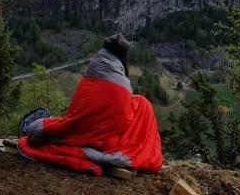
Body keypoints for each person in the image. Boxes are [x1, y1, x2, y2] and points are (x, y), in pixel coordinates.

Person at [17, 33, 163, 175]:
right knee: (143, 104)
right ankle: (144, 146)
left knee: (54, 127)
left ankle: (36, 126)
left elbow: (76, 110)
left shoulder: (92, 72)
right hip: (105, 139)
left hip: (79, 128)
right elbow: (124, 116)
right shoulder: (122, 81)